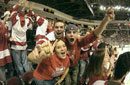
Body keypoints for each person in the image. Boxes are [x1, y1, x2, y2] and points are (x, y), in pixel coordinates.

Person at [64, 7, 115, 85]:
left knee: (74, 81)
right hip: (64, 67)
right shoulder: (61, 42)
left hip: (75, 65)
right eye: (69, 32)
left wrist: (106, 20)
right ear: (65, 34)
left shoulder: (79, 42)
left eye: (74, 32)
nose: (71, 34)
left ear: (77, 34)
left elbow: (94, 34)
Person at [10, 0, 31, 80]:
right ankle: (29, 78)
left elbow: (13, 10)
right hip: (23, 46)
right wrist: (29, 8)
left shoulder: (15, 21)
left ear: (18, 15)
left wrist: (19, 3)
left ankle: (22, 79)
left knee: (18, 65)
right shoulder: (26, 22)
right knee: (25, 63)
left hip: (15, 46)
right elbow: (29, 16)